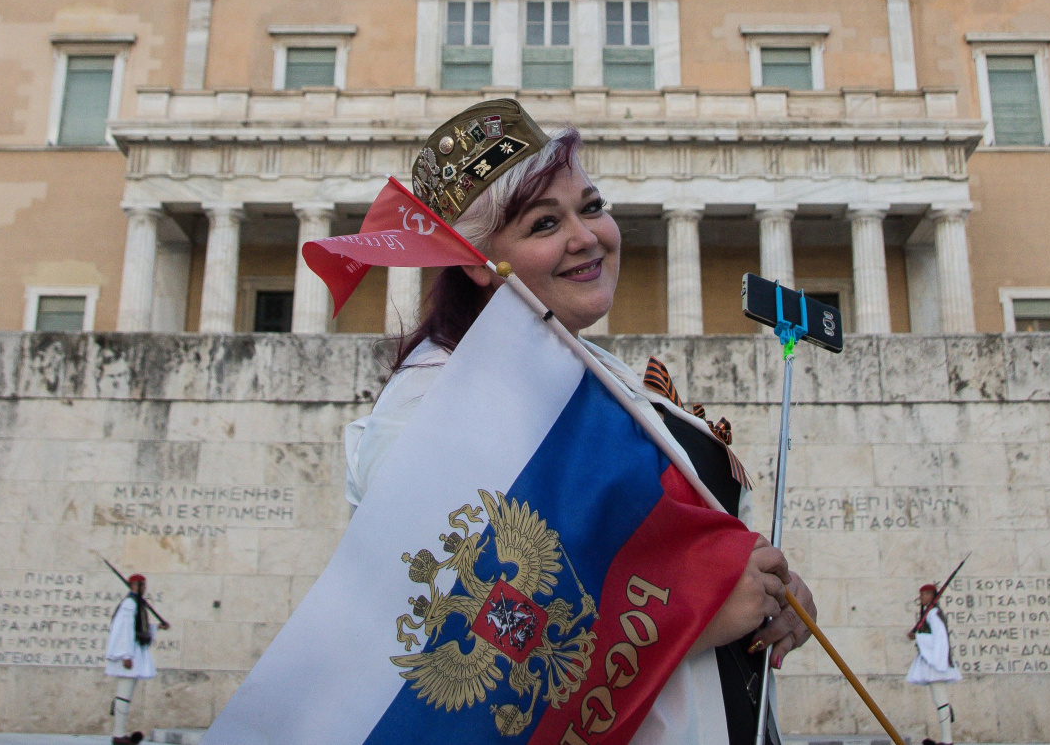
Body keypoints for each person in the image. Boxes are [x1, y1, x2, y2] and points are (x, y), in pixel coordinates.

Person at [345, 98, 816, 744]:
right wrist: (690, 618)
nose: (586, 236)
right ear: (477, 260)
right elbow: (456, 629)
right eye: (545, 223)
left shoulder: (593, 371)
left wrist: (772, 592)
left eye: (591, 207)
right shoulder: (429, 408)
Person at [105, 573, 166, 745]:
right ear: (134, 586)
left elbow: (140, 627)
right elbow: (125, 630)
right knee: (123, 694)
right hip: (129, 653)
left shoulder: (137, 603)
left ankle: (120, 734)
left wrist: (157, 627)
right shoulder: (129, 604)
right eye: (142, 585)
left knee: (125, 695)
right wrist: (126, 655)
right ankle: (118, 734)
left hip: (133, 652)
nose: (144, 588)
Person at [907, 583, 961, 745]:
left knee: (940, 700)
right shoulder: (930, 613)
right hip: (933, 661)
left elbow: (940, 638)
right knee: (939, 699)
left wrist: (918, 637)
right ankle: (946, 739)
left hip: (936, 662)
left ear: (931, 595)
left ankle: (947, 740)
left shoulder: (933, 614)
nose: (921, 598)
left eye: (924, 595)